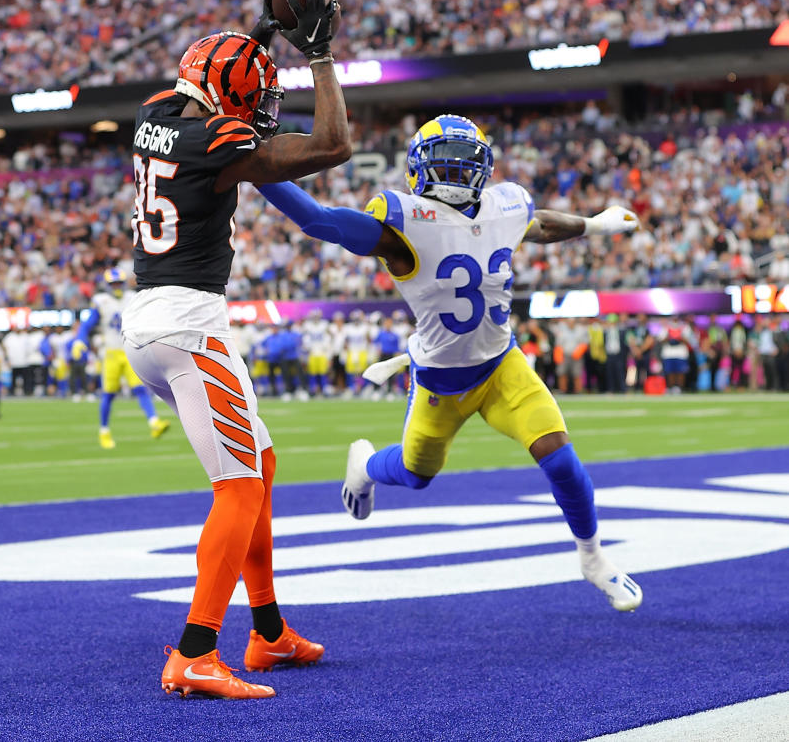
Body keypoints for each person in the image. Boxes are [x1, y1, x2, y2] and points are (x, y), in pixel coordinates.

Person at [257, 113, 644, 613]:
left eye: (465, 167)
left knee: (560, 455)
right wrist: (257, 168)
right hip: (440, 379)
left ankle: (593, 558)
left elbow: (540, 223)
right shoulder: (402, 224)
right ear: (419, 171)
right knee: (418, 473)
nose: (456, 177)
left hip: (503, 367)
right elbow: (319, 220)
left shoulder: (507, 204)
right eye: (446, 167)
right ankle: (367, 465)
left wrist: (593, 224)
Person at [119, 0, 348, 699]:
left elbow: (217, 78)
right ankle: (194, 649)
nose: (259, 108)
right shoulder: (218, 137)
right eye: (251, 95)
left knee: (263, 462)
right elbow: (332, 144)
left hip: (156, 316)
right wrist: (316, 57)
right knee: (240, 484)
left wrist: (259, 29)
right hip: (188, 323)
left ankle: (270, 630)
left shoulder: (156, 111)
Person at [79, 268, 171, 448]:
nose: (116, 287)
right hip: (111, 352)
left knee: (140, 389)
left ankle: (154, 423)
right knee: (109, 394)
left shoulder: (132, 297)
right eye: (113, 284)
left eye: (119, 283)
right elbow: (87, 324)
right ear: (107, 286)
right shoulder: (102, 301)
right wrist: (79, 341)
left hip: (130, 350)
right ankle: (104, 431)